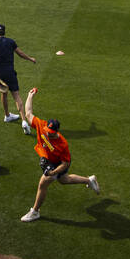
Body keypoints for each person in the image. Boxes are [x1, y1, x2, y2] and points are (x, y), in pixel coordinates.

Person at [18, 87, 100, 222]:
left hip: (58, 164)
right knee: (64, 180)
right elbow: (28, 113)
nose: (48, 133)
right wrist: (30, 96)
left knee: (43, 184)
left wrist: (52, 172)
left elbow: (65, 164)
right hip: (49, 160)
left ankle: (35, 211)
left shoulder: (62, 144)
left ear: (57, 131)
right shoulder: (42, 126)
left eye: (51, 133)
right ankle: (89, 180)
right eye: (47, 131)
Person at [0, 24, 35, 132]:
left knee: (4, 93)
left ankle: (7, 116)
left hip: (0, 74)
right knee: (16, 95)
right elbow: (20, 53)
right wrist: (30, 59)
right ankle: (24, 120)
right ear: (4, 32)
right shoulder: (10, 42)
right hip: (10, 73)